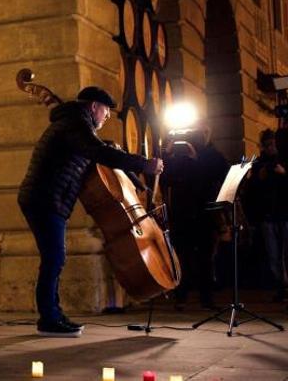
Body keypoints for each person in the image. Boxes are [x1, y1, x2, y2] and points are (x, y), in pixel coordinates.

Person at [18, 86, 163, 337]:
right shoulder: (75, 124)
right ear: (94, 106)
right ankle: (49, 319)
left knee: (54, 259)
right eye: (106, 111)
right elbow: (98, 152)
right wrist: (143, 164)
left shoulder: (75, 126)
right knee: (53, 260)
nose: (107, 117)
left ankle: (54, 314)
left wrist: (133, 173)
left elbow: (99, 150)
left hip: (49, 199)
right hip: (45, 199)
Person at [161, 121, 229, 310]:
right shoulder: (177, 155)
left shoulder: (214, 156)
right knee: (182, 256)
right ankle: (181, 297)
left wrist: (196, 161)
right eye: (199, 131)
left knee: (205, 258)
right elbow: (164, 178)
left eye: (205, 131)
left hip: (205, 212)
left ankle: (206, 299)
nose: (202, 135)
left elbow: (220, 180)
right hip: (182, 212)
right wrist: (168, 152)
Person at [245, 129, 288, 301]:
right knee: (273, 255)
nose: (271, 147)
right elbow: (250, 191)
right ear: (262, 146)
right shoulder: (258, 164)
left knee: (286, 253)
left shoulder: (284, 160)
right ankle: (281, 287)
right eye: (268, 145)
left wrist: (284, 174)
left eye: (273, 144)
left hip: (285, 214)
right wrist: (258, 178)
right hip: (268, 217)